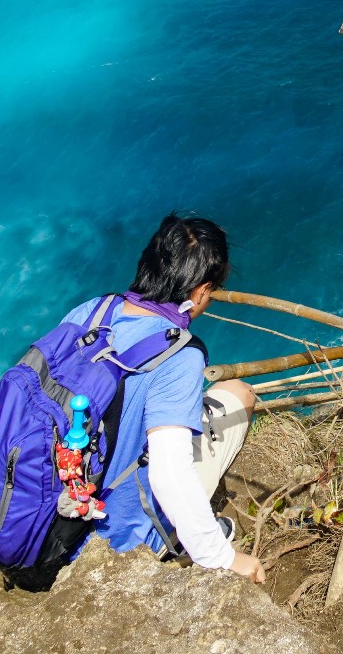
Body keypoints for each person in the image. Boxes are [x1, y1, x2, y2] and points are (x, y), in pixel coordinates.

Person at [65, 213, 267, 584]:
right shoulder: (179, 355)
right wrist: (222, 557)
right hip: (108, 539)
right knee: (238, 393)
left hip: (48, 509)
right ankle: (172, 539)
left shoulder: (92, 311)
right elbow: (170, 474)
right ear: (202, 291)